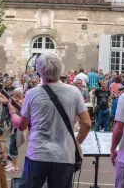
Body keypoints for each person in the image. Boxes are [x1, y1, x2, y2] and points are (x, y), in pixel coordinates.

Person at [8, 52, 91, 188]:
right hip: (64, 155)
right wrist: (76, 143)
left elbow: (22, 125)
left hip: (38, 153)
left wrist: (12, 112)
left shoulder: (32, 93)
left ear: (40, 71)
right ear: (60, 68)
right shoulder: (74, 92)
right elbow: (87, 123)